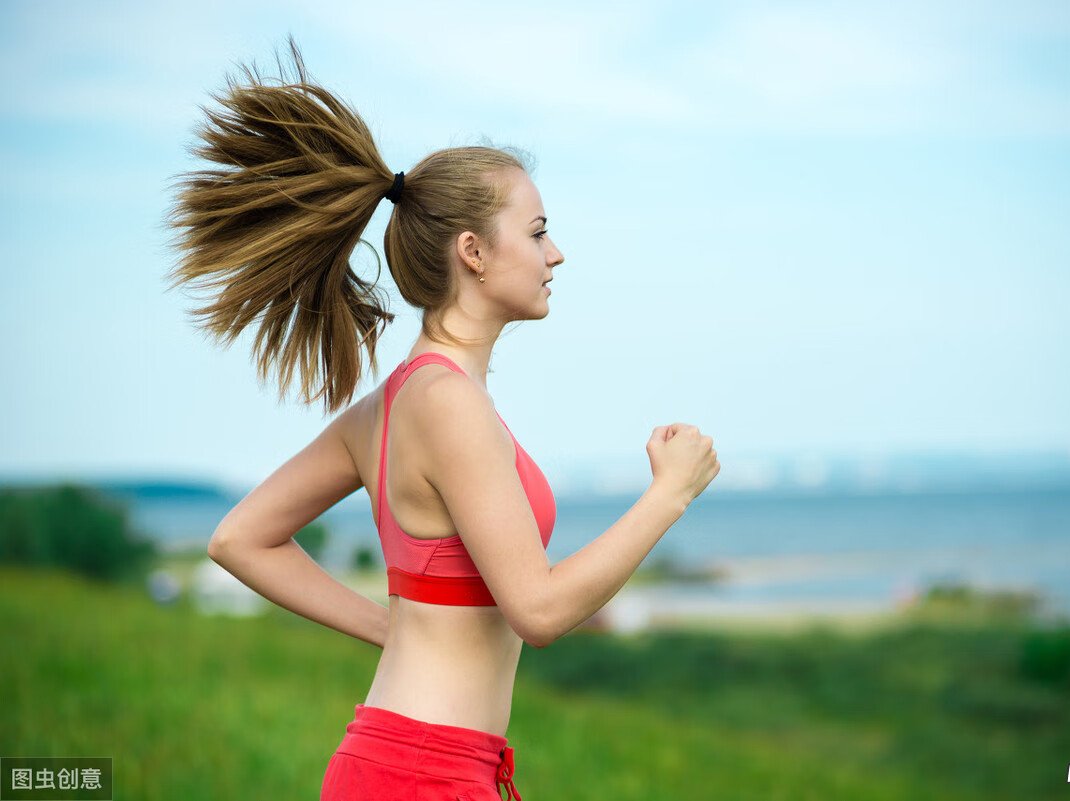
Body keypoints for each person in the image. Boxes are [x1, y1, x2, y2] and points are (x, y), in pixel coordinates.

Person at [165, 36, 720, 801]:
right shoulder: (448, 404)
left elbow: (241, 537)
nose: (556, 253)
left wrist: (393, 627)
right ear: (473, 252)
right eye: (537, 231)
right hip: (423, 772)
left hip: (419, 762)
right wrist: (669, 494)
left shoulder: (398, 403)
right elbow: (539, 609)